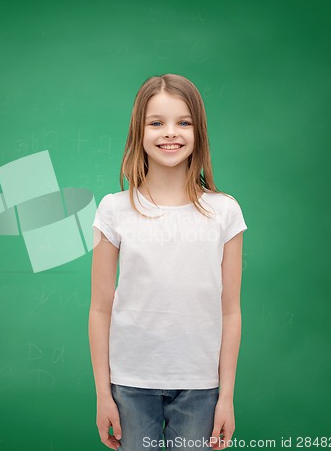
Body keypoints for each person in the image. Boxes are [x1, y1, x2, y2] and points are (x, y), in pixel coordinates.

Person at [88, 73, 248, 451]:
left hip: (201, 387)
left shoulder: (225, 212)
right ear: (138, 132)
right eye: (156, 123)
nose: (170, 133)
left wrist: (226, 397)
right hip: (129, 384)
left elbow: (230, 311)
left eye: (183, 122)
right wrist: (102, 394)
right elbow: (99, 308)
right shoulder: (114, 209)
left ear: (198, 131)